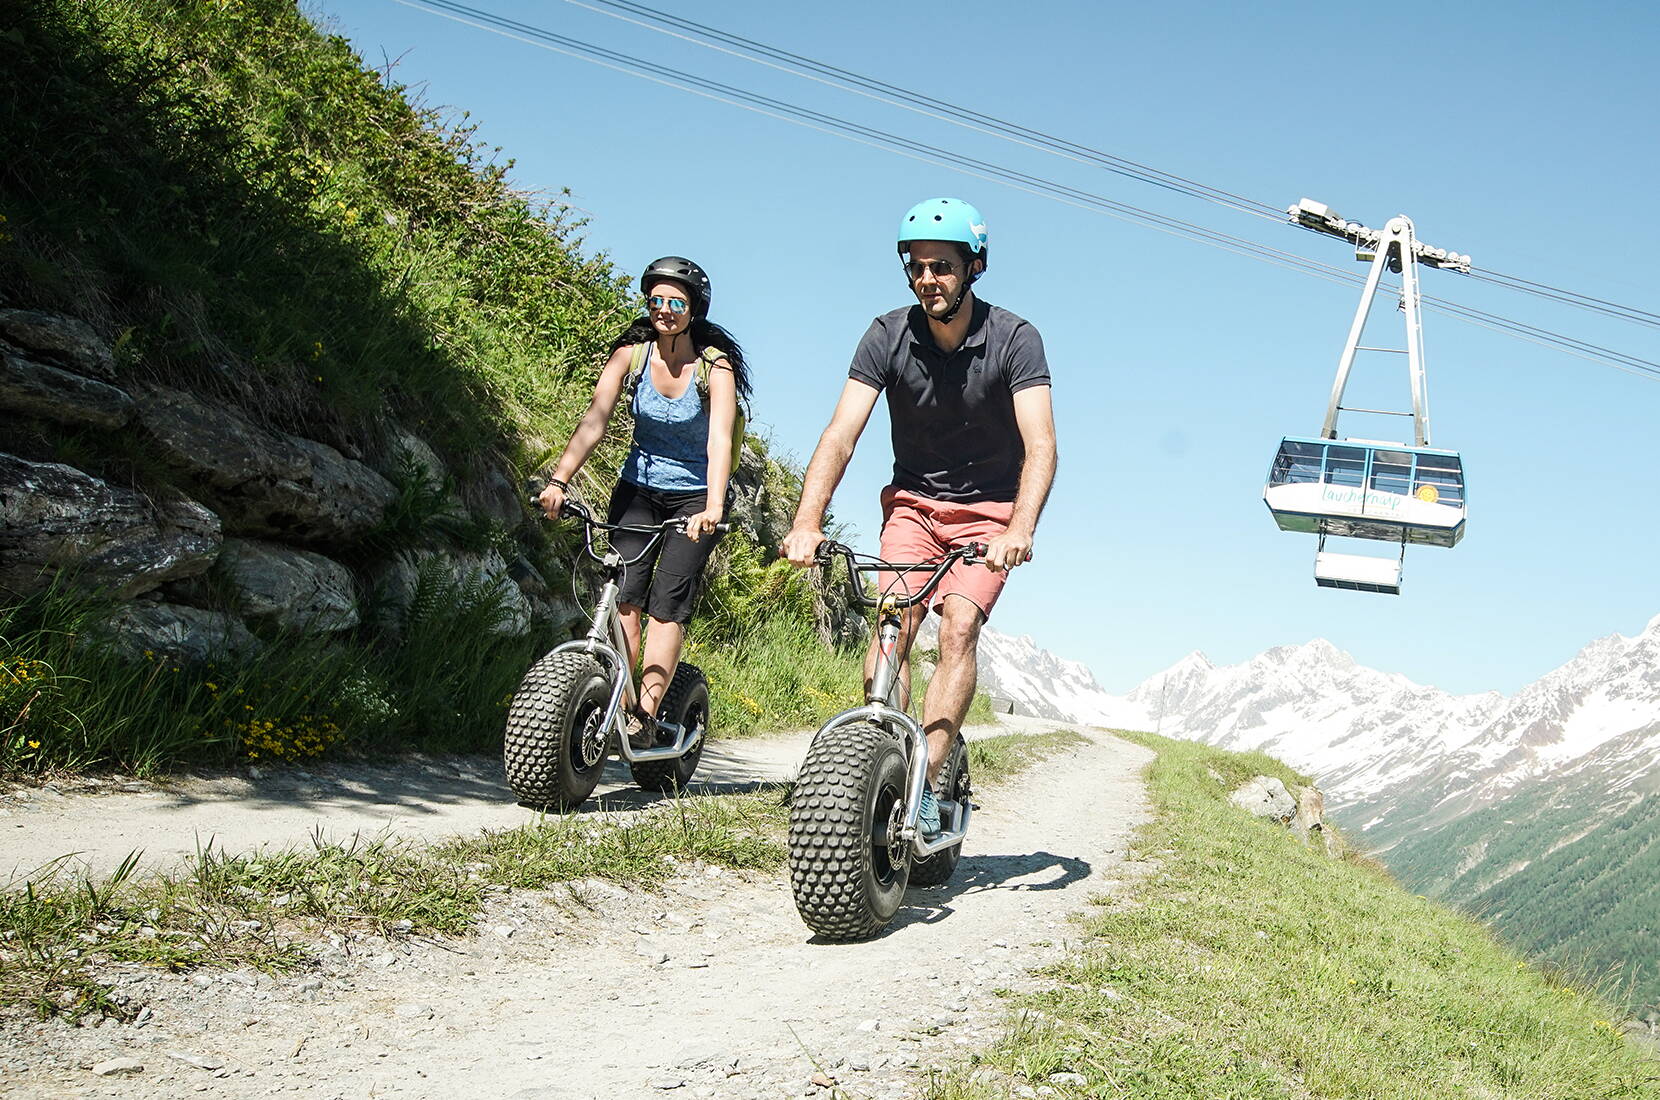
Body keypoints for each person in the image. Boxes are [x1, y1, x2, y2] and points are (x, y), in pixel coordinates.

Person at [781, 197, 1057, 836]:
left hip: (989, 514)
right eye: (916, 266)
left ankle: (931, 783)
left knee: (958, 628)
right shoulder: (886, 334)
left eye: (942, 266)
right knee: (892, 624)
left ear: (974, 267)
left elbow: (1041, 445)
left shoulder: (1015, 339)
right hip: (913, 505)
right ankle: (889, 754)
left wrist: (1020, 528)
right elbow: (840, 433)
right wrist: (806, 519)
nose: (928, 278)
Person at [537, 256, 751, 744]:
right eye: (656, 300)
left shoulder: (714, 368)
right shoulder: (631, 356)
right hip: (637, 489)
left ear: (694, 309)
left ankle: (646, 715)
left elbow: (719, 439)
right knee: (624, 600)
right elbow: (596, 420)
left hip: (695, 497)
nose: (664, 310)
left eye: (676, 302)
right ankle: (621, 697)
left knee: (666, 606)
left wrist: (713, 506)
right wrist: (559, 480)